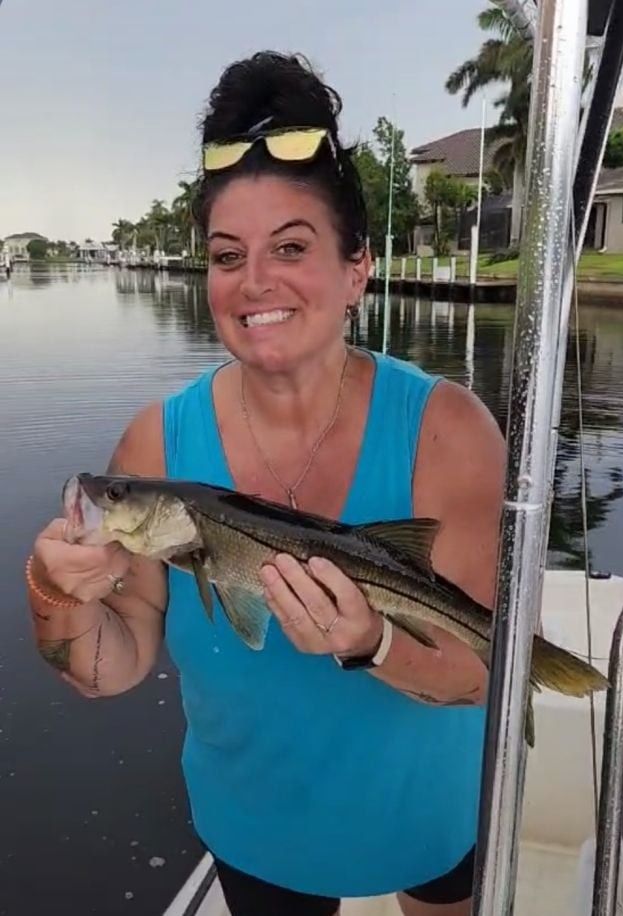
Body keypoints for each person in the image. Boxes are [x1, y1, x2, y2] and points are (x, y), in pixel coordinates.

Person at [26, 51, 506, 916]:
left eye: (292, 246)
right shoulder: (156, 442)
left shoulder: (449, 429)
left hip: (424, 810)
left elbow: (480, 675)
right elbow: (110, 665)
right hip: (256, 828)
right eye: (226, 254)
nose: (255, 283)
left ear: (356, 266)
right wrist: (56, 593)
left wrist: (373, 643)